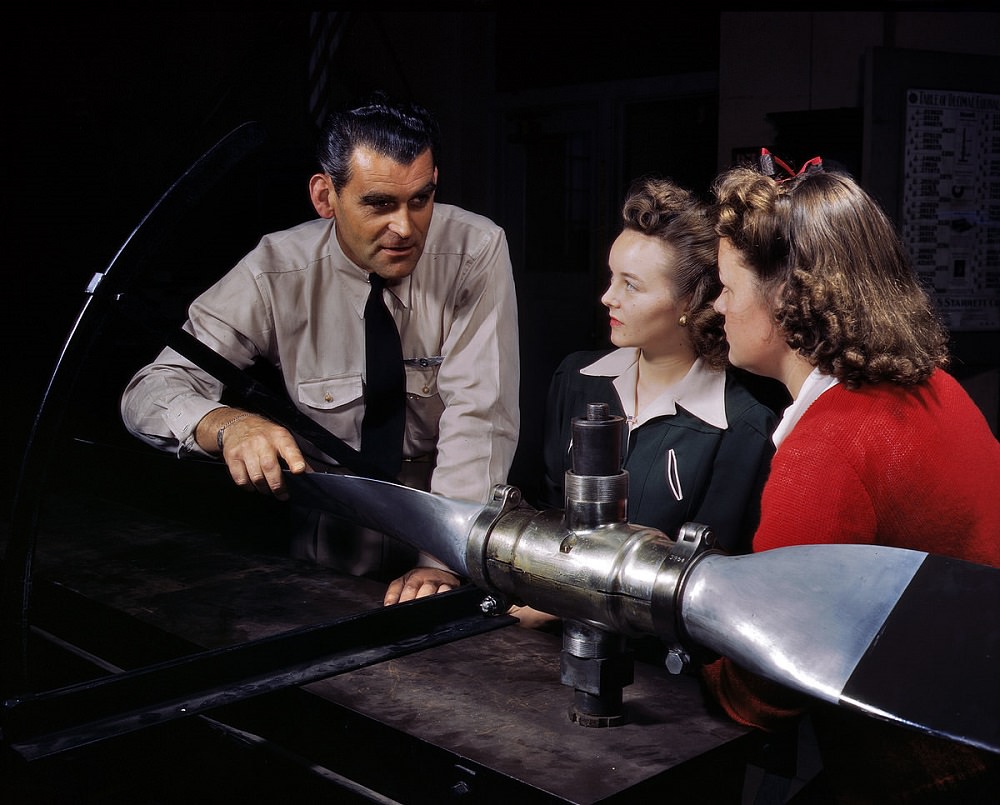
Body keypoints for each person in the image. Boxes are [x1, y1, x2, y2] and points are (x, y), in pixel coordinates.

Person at [121, 92, 520, 605]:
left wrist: (440, 564)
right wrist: (226, 425)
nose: (405, 227)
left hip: (442, 522)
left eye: (421, 199)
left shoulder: (475, 250)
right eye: (379, 204)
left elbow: (480, 419)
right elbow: (149, 391)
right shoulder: (274, 271)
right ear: (325, 197)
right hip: (325, 539)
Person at [703, 153, 1000, 801]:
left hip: (938, 768)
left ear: (783, 294)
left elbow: (769, 677)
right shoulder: (938, 387)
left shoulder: (829, 443)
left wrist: (692, 678)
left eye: (727, 285)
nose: (717, 305)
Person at [513, 177, 779, 628]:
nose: (607, 297)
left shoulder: (743, 428)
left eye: (631, 286)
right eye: (611, 277)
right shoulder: (575, 379)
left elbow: (708, 583)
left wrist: (566, 603)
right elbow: (551, 514)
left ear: (690, 301)